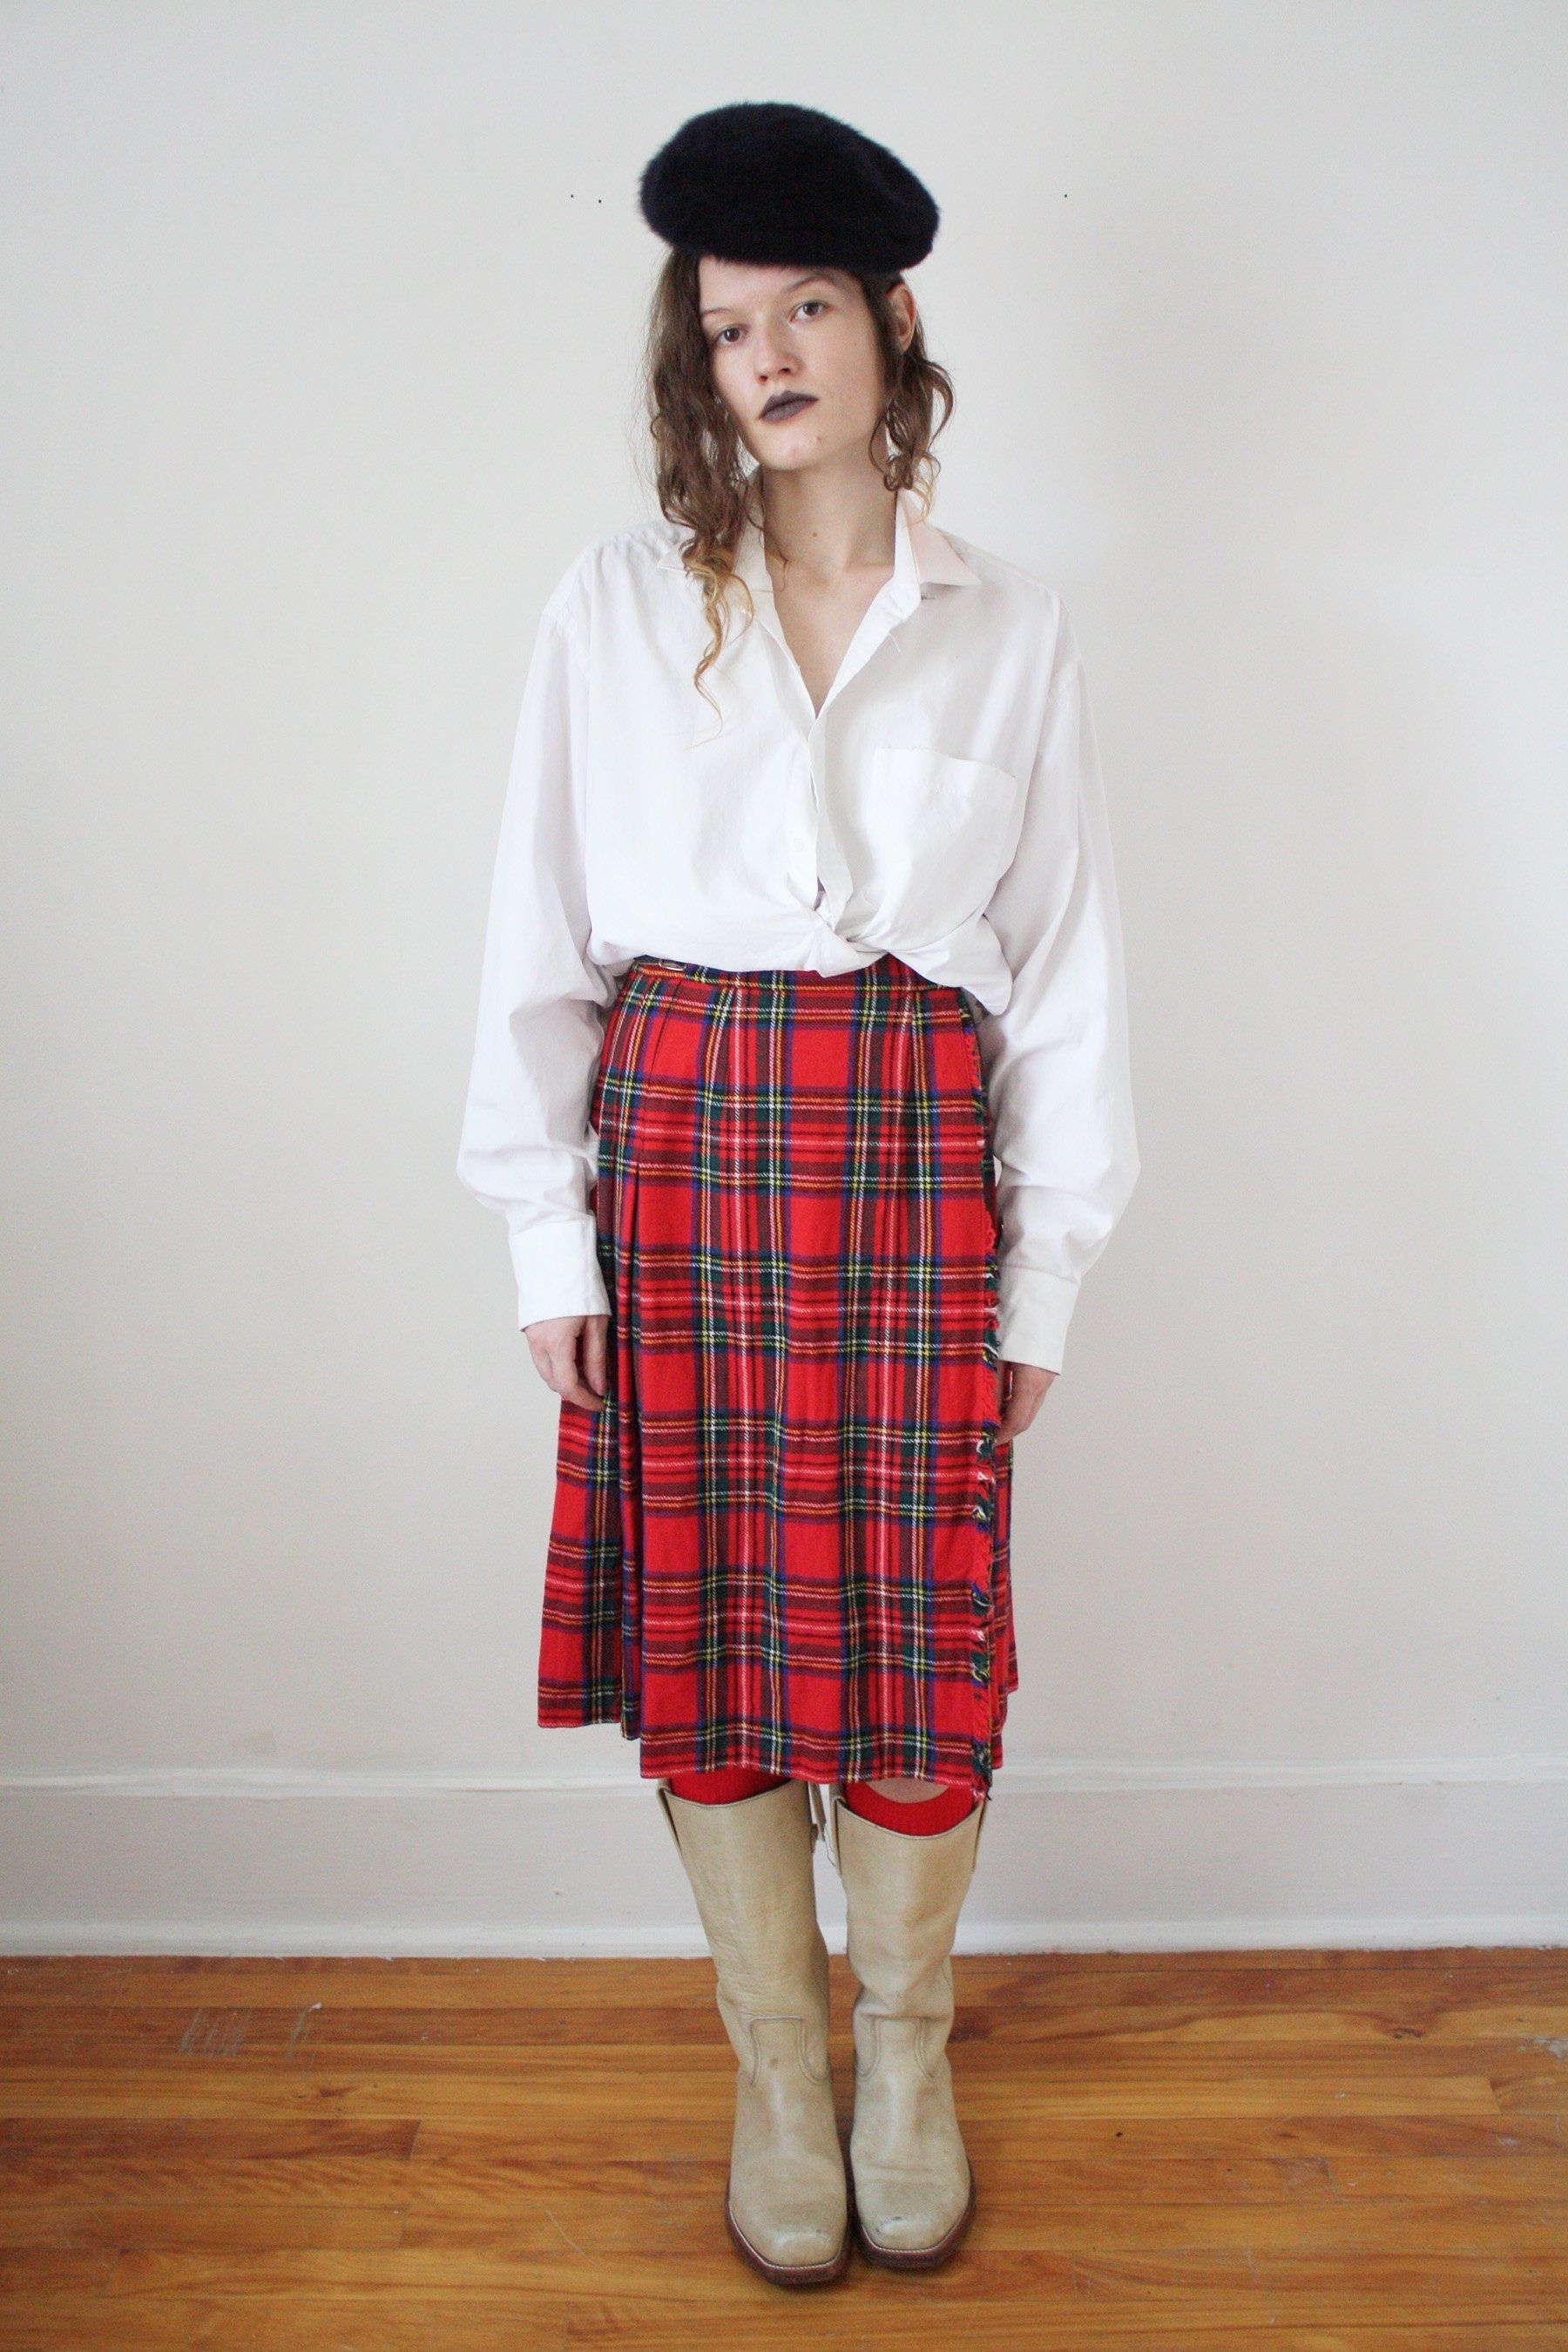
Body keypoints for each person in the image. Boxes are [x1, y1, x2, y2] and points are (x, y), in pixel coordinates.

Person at [456, 100, 1139, 2287]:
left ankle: (905, 2053)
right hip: (680, 1174)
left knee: (922, 1647)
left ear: (890, 325)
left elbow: (1065, 984)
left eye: (807, 309)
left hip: (916, 1182)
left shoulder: (1012, 627)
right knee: (719, 1643)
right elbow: (536, 942)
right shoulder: (612, 607)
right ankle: (780, 2064)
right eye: (728, 323)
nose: (766, 355)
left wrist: (1045, 1280)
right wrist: (543, 1234)